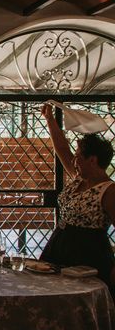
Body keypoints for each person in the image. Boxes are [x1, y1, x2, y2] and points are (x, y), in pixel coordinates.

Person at [39, 104, 115, 288]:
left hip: (88, 252)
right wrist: (50, 120)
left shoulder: (109, 190)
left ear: (93, 160)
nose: (74, 159)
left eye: (79, 155)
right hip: (60, 244)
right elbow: (62, 149)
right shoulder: (78, 178)